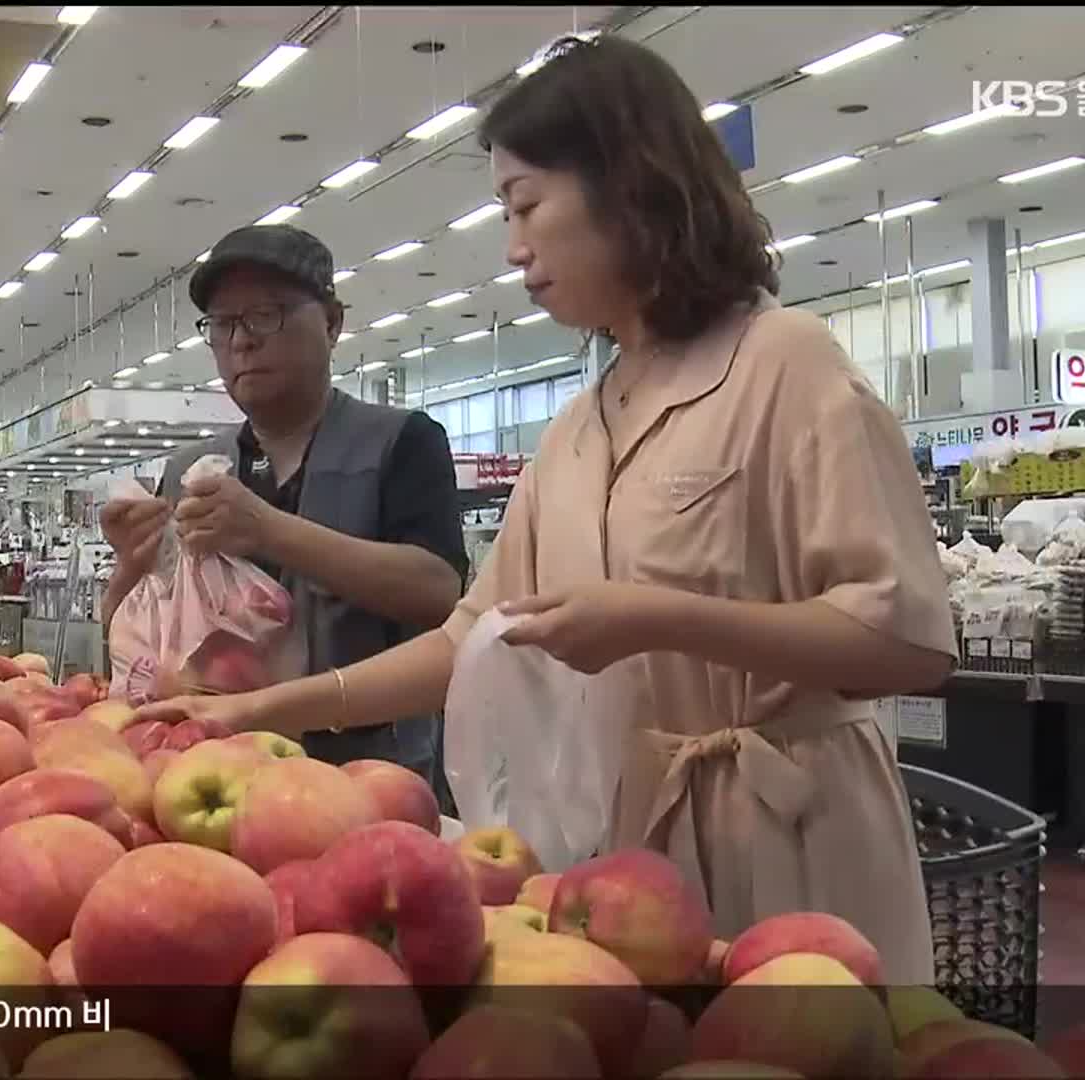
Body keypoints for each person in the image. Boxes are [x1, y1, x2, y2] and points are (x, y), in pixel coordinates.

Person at [138, 35, 955, 985]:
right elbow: (471, 636)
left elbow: (907, 639)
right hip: (631, 854)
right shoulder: (578, 428)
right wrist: (261, 709)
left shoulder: (787, 364)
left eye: (526, 204)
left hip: (798, 846)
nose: (515, 246)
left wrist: (655, 618)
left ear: (626, 183)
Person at [103, 223, 470, 801]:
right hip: (209, 773)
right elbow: (142, 641)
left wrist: (271, 531)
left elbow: (440, 592)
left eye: (266, 315)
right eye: (222, 325)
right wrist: (130, 565)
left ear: (331, 322)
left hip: (364, 775)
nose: (241, 341)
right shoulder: (191, 468)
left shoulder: (401, 442)